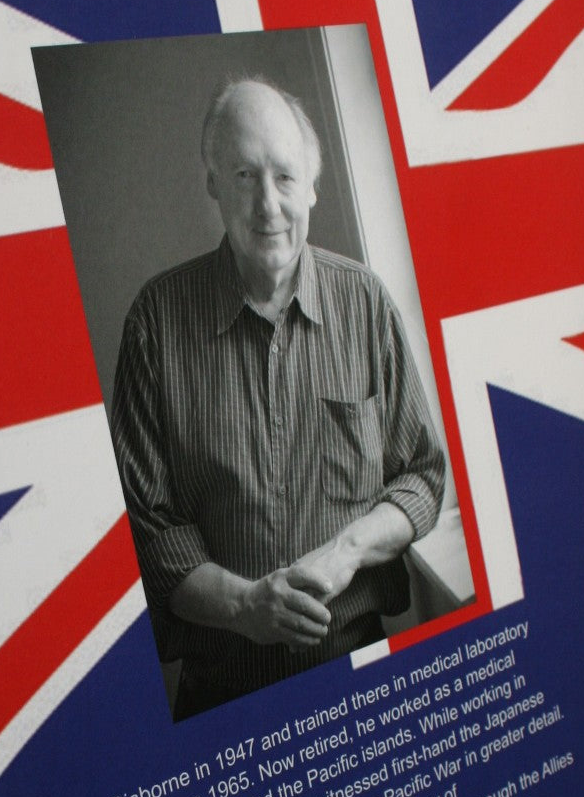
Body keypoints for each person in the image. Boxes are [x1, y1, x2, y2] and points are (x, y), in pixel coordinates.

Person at [111, 77, 445, 717]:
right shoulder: (153, 323)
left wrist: (347, 553)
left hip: (362, 672)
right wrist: (243, 607)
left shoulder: (368, 305)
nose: (268, 205)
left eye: (285, 177)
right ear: (212, 183)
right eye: (243, 175)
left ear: (313, 186)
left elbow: (423, 478)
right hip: (221, 695)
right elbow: (146, 526)